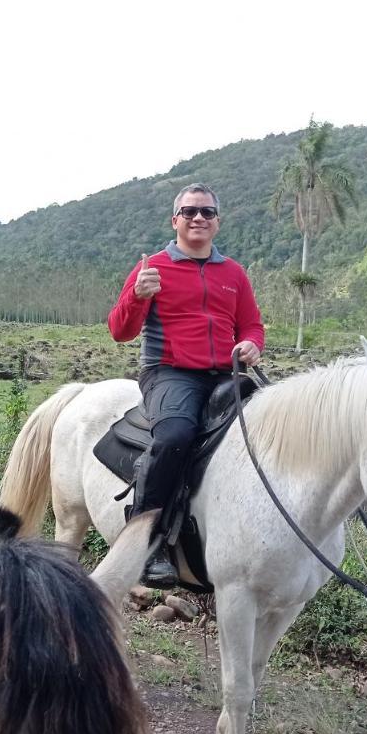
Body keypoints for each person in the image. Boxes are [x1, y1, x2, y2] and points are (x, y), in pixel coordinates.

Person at [108, 183, 264, 587]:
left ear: (217, 221)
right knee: (176, 434)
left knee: (272, 427)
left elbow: (250, 323)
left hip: (224, 373)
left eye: (207, 212)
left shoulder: (233, 273)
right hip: (170, 372)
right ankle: (146, 541)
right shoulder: (153, 268)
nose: (199, 218)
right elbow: (120, 331)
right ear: (175, 219)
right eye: (190, 211)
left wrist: (251, 343)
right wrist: (138, 297)